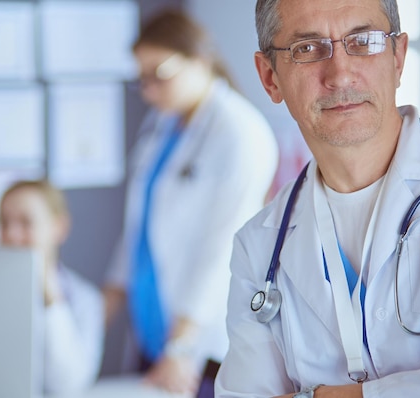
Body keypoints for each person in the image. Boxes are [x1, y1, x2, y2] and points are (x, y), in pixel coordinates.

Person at [215, 0, 420, 397]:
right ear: (270, 77)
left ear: (398, 57)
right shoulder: (257, 246)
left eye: (363, 41)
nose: (341, 74)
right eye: (307, 48)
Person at [103, 8, 279, 395]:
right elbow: (140, 229)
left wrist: (182, 345)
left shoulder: (239, 132)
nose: (148, 91)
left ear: (199, 60)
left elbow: (221, 247)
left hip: (201, 342)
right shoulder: (160, 127)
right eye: (141, 79)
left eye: (159, 75)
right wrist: (98, 314)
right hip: (154, 330)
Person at [0, 179, 104, 395]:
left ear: (59, 227)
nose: (11, 235)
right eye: (3, 223)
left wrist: (50, 294)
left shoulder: (86, 300)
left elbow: (69, 384)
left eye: (26, 223)